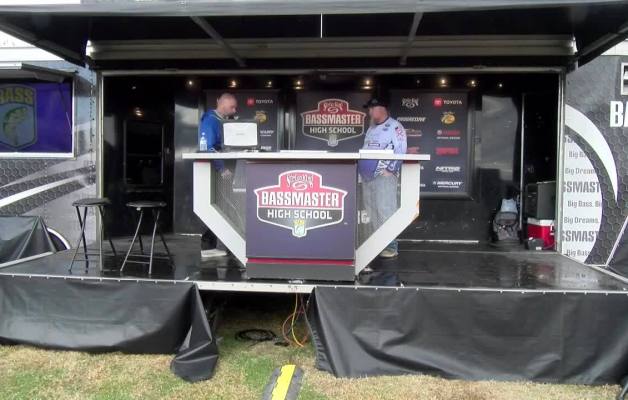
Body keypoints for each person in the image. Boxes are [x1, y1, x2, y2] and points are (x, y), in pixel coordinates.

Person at [358, 97, 407, 258]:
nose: (369, 112)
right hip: (368, 177)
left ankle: (391, 247)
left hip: (383, 176)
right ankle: (379, 244)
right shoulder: (371, 128)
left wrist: (390, 169)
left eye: (371, 109)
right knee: (372, 210)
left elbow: (401, 149)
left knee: (385, 209)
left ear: (381, 108)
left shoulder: (395, 126)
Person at [198, 92, 237, 258]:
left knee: (222, 207)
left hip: (221, 170)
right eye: (232, 107)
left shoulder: (221, 120)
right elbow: (208, 148)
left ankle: (215, 246)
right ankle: (208, 246)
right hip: (215, 171)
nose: (234, 110)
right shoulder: (210, 120)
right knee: (219, 207)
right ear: (222, 104)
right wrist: (221, 168)